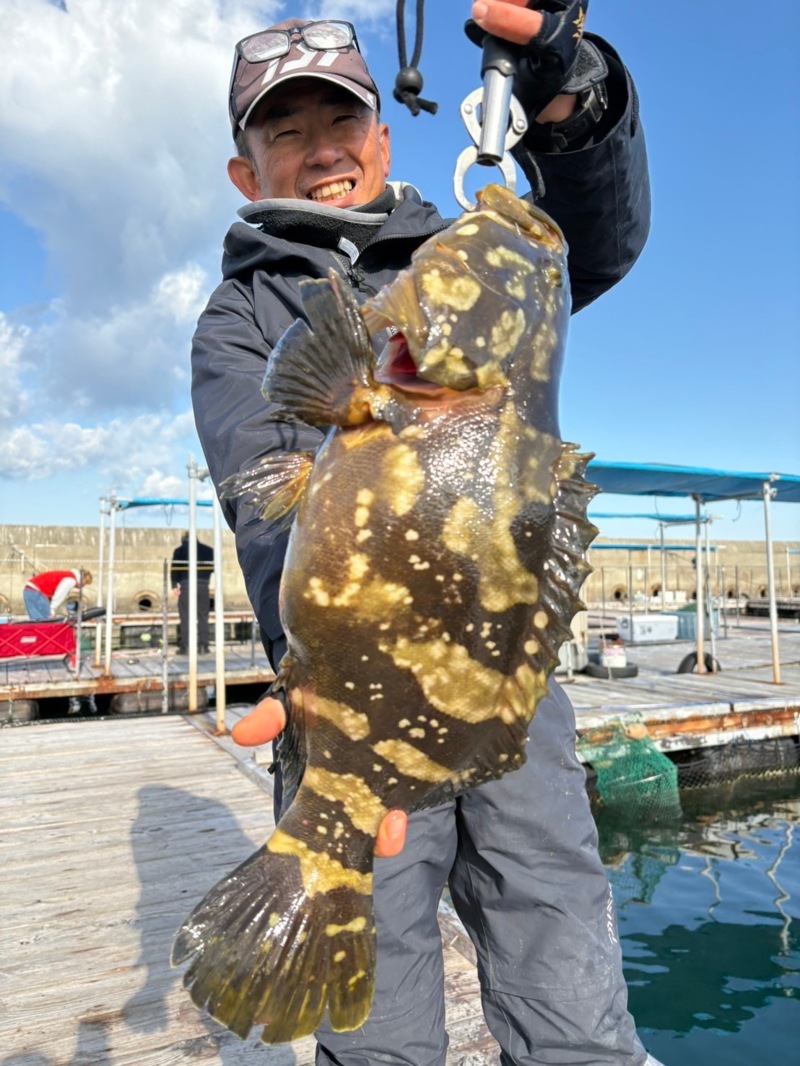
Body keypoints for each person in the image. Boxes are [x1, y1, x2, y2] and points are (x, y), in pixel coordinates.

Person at [191, 2, 662, 1063]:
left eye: (340, 122)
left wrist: (563, 85)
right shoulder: (242, 316)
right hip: (345, 695)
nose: (320, 150)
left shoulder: (466, 248)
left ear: (384, 139)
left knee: (563, 958)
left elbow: (596, 232)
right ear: (245, 172)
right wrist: (317, 677)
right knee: (377, 1002)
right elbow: (262, 493)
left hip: (507, 687)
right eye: (283, 131)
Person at [170, 532, 214, 653]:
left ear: (183, 540)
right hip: (203, 586)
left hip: (186, 586)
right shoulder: (208, 550)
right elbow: (212, 568)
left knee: (185, 617)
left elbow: (174, 568)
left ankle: (186, 646)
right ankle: (204, 646)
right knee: (203, 616)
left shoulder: (179, 551)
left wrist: (174, 585)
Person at [23, 568, 92, 621]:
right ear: (83, 580)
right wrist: (52, 610)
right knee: (46, 621)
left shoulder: (67, 575)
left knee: (36, 621)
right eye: (84, 584)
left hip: (28, 589)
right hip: (37, 592)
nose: (82, 587)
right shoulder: (71, 581)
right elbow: (59, 595)